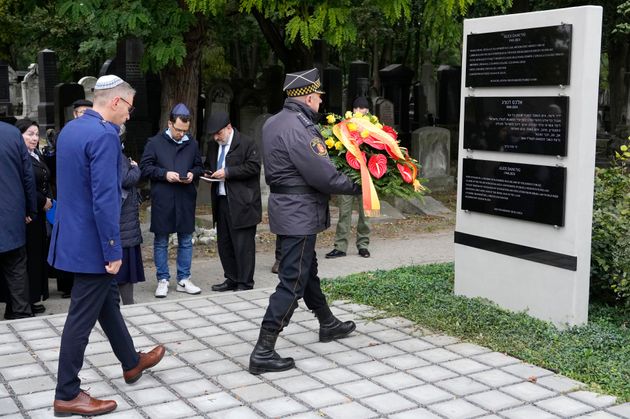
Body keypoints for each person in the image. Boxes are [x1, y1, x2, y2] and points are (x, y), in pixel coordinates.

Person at [48, 75, 165, 417]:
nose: (129, 115)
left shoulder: (72, 128)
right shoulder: (104, 136)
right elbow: (104, 198)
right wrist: (113, 249)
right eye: (128, 107)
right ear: (115, 102)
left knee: (107, 302)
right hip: (93, 244)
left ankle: (131, 362)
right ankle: (67, 393)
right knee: (80, 319)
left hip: (72, 235)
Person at [249, 68, 361, 375]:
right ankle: (263, 349)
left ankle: (327, 322)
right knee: (292, 281)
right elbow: (321, 174)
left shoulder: (275, 121)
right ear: (309, 97)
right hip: (299, 210)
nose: (320, 103)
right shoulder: (300, 127)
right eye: (319, 97)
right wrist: (359, 184)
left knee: (305, 268)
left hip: (289, 208)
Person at [140, 103, 204, 298]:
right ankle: (163, 279)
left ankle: (184, 279)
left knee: (186, 239)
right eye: (178, 130)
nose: (181, 134)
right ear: (169, 124)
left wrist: (193, 174)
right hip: (164, 198)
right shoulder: (155, 143)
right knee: (161, 240)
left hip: (185, 197)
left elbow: (199, 166)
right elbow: (144, 167)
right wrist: (165, 174)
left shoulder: (191, 143)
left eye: (185, 130)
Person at [205, 111, 262, 292]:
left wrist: (228, 172)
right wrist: (207, 173)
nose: (216, 137)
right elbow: (209, 165)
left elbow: (253, 167)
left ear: (229, 128)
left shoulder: (246, 143)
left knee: (243, 244)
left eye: (219, 133)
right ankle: (231, 278)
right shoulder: (213, 146)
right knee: (225, 243)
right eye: (213, 134)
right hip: (221, 200)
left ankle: (245, 282)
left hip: (243, 202)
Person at [326, 96, 372, 259]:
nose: (361, 111)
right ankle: (340, 246)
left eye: (364, 108)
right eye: (358, 108)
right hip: (347, 176)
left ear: (367, 111)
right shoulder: (343, 127)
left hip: (365, 177)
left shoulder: (373, 129)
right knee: (344, 213)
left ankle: (363, 245)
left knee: (365, 212)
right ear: (353, 110)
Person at [0, 121, 37, 320]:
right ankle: (21, 313)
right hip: (11, 213)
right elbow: (27, 175)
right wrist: (30, 208)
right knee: (15, 267)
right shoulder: (12, 133)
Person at [16, 118, 52, 315]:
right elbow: (22, 184)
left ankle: (36, 295)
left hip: (39, 213)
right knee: (29, 257)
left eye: (37, 134)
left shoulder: (36, 155)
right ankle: (27, 298)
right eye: (29, 134)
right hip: (28, 213)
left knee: (38, 254)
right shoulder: (19, 157)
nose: (34, 138)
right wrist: (41, 201)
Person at [115, 125, 145, 304]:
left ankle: (125, 303)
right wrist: (136, 168)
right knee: (123, 268)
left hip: (125, 221)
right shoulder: (117, 156)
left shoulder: (117, 153)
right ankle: (126, 304)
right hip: (123, 221)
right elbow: (126, 180)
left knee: (124, 267)